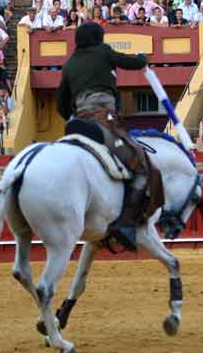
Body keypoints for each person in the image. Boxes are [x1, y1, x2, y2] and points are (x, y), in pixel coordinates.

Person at [56, 23, 148, 251]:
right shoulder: (103, 51)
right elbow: (132, 63)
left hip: (77, 123)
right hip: (104, 120)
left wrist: (76, 117)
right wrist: (142, 58)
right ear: (98, 37)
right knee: (139, 164)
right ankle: (126, 224)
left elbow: (60, 104)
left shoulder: (69, 64)